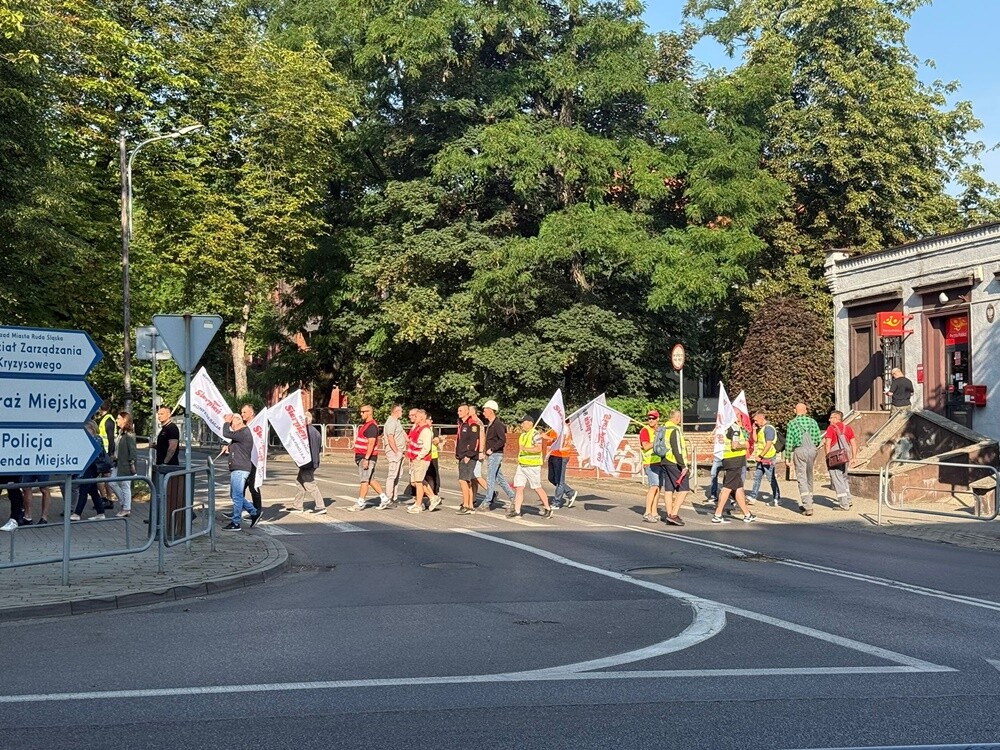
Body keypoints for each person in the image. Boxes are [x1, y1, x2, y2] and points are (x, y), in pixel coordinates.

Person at [711, 419, 756, 524]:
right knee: (727, 488)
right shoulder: (734, 427)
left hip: (728, 459)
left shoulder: (724, 427)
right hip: (735, 460)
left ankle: (747, 514)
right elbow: (734, 445)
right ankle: (717, 514)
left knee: (738, 488)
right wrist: (746, 445)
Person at [221, 413, 261, 530]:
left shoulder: (243, 432)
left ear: (238, 422)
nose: (231, 427)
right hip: (237, 468)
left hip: (240, 469)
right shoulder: (241, 434)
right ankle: (254, 512)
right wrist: (228, 447)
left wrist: (226, 422)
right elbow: (237, 445)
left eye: (232, 424)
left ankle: (236, 522)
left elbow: (226, 433)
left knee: (237, 496)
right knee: (235, 495)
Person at [508, 416, 554, 519]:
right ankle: (517, 510)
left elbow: (538, 449)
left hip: (532, 466)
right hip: (522, 465)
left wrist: (525, 449)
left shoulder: (535, 435)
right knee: (519, 487)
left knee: (537, 487)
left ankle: (547, 508)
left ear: (530, 423)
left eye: (523, 423)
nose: (521, 425)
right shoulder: (523, 435)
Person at [785, 402, 823, 516]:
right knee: (809, 475)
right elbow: (817, 439)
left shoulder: (792, 423)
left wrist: (787, 457)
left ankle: (808, 506)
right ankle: (809, 500)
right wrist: (812, 447)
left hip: (800, 450)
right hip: (812, 450)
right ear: (806, 411)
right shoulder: (813, 422)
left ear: (794, 411)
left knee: (801, 477)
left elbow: (789, 441)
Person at [348, 405, 389, 511]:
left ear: (369, 412)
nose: (361, 414)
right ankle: (384, 498)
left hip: (366, 457)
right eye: (360, 412)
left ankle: (360, 502)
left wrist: (366, 459)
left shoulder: (371, 426)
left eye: (363, 412)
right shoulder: (366, 425)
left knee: (364, 480)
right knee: (370, 479)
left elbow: (371, 444)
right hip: (363, 456)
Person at [478, 400, 515, 511]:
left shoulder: (497, 424)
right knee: (500, 479)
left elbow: (502, 440)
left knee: (490, 478)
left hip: (495, 454)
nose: (483, 412)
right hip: (493, 454)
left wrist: (492, 449)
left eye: (485, 410)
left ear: (490, 410)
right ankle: (513, 497)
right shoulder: (491, 424)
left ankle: (487, 501)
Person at [289, 412, 326, 513]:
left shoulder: (307, 433)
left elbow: (305, 449)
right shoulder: (315, 431)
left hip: (308, 463)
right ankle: (297, 505)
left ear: (307, 420)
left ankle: (320, 506)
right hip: (312, 461)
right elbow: (317, 448)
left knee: (310, 484)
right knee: (300, 482)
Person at [71, 420, 107, 521]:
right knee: (93, 491)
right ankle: (100, 512)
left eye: (86, 429)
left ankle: (77, 513)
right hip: (91, 467)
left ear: (91, 429)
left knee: (84, 490)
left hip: (92, 467)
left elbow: (92, 455)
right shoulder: (95, 439)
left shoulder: (95, 439)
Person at [406, 410, 441, 513]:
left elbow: (426, 447)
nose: (414, 418)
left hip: (421, 459)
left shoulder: (425, 430)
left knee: (418, 481)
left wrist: (419, 457)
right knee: (414, 482)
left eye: (416, 416)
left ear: (421, 418)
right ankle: (433, 497)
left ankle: (418, 505)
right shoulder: (417, 428)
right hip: (414, 458)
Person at [660, 409, 689, 526]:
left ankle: (669, 514)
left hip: (664, 461)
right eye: (680, 417)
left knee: (669, 489)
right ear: (677, 418)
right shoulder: (675, 430)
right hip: (674, 461)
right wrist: (683, 465)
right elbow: (677, 449)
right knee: (684, 489)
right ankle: (673, 514)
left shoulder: (664, 428)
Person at [825, 410, 859, 510]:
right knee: (844, 478)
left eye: (831, 418)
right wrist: (854, 457)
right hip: (845, 456)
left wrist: (828, 457)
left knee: (837, 479)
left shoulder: (831, 428)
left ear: (836, 418)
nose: (829, 419)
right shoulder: (848, 428)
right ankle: (848, 499)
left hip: (835, 457)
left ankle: (844, 504)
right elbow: (853, 444)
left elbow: (827, 443)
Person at [107, 411, 138, 518]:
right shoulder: (121, 432)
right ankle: (124, 503)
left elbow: (132, 450)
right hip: (117, 462)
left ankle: (126, 508)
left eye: (119, 418)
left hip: (125, 463)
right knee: (111, 482)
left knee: (125, 485)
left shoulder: (129, 434)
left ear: (125, 420)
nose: (117, 420)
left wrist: (132, 463)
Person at [748, 411, 781, 507]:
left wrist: (761, 455)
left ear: (761, 418)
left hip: (768, 457)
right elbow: (756, 440)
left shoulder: (769, 429)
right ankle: (753, 496)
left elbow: (769, 444)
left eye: (756, 420)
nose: (755, 422)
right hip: (762, 458)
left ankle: (776, 498)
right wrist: (754, 429)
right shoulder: (762, 429)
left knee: (771, 478)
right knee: (757, 477)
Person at [455, 404, 481, 515]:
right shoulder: (462, 424)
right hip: (462, 455)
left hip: (468, 457)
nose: (459, 412)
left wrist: (469, 455)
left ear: (467, 411)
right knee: (467, 481)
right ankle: (469, 505)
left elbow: (475, 441)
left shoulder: (472, 424)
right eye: (458, 410)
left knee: (463, 480)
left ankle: (466, 505)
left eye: (461, 410)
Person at [640, 410, 665, 522]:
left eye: (653, 418)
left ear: (658, 419)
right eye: (649, 418)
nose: (651, 420)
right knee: (653, 486)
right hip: (650, 462)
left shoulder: (660, 430)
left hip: (661, 462)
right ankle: (647, 512)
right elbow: (645, 446)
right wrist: (656, 441)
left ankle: (654, 511)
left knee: (658, 488)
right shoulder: (645, 430)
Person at [545, 426, 578, 510]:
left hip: (561, 456)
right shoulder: (555, 427)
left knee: (560, 480)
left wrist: (547, 437)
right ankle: (570, 492)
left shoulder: (563, 428)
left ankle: (557, 502)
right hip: (553, 454)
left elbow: (560, 441)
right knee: (551, 478)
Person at [240, 403, 264, 515]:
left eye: (244, 412)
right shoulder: (245, 426)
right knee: (239, 488)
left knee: (253, 487)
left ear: (251, 413)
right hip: (245, 460)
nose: (242, 414)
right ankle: (238, 510)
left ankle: (257, 511)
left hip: (254, 460)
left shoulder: (257, 424)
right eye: (241, 412)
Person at [382, 404, 408, 505]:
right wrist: (396, 451)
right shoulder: (391, 422)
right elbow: (390, 437)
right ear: (396, 411)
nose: (402, 413)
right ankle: (389, 497)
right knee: (392, 475)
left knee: (398, 475)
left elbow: (402, 434)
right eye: (401, 411)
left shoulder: (397, 422)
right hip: (394, 452)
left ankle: (394, 496)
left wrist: (408, 441)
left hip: (400, 451)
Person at [92, 401, 117, 507]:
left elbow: (110, 437)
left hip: (105, 452)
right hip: (102, 451)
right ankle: (106, 498)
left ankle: (107, 499)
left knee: (103, 477)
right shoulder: (105, 419)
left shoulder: (108, 420)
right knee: (102, 477)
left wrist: (110, 453)